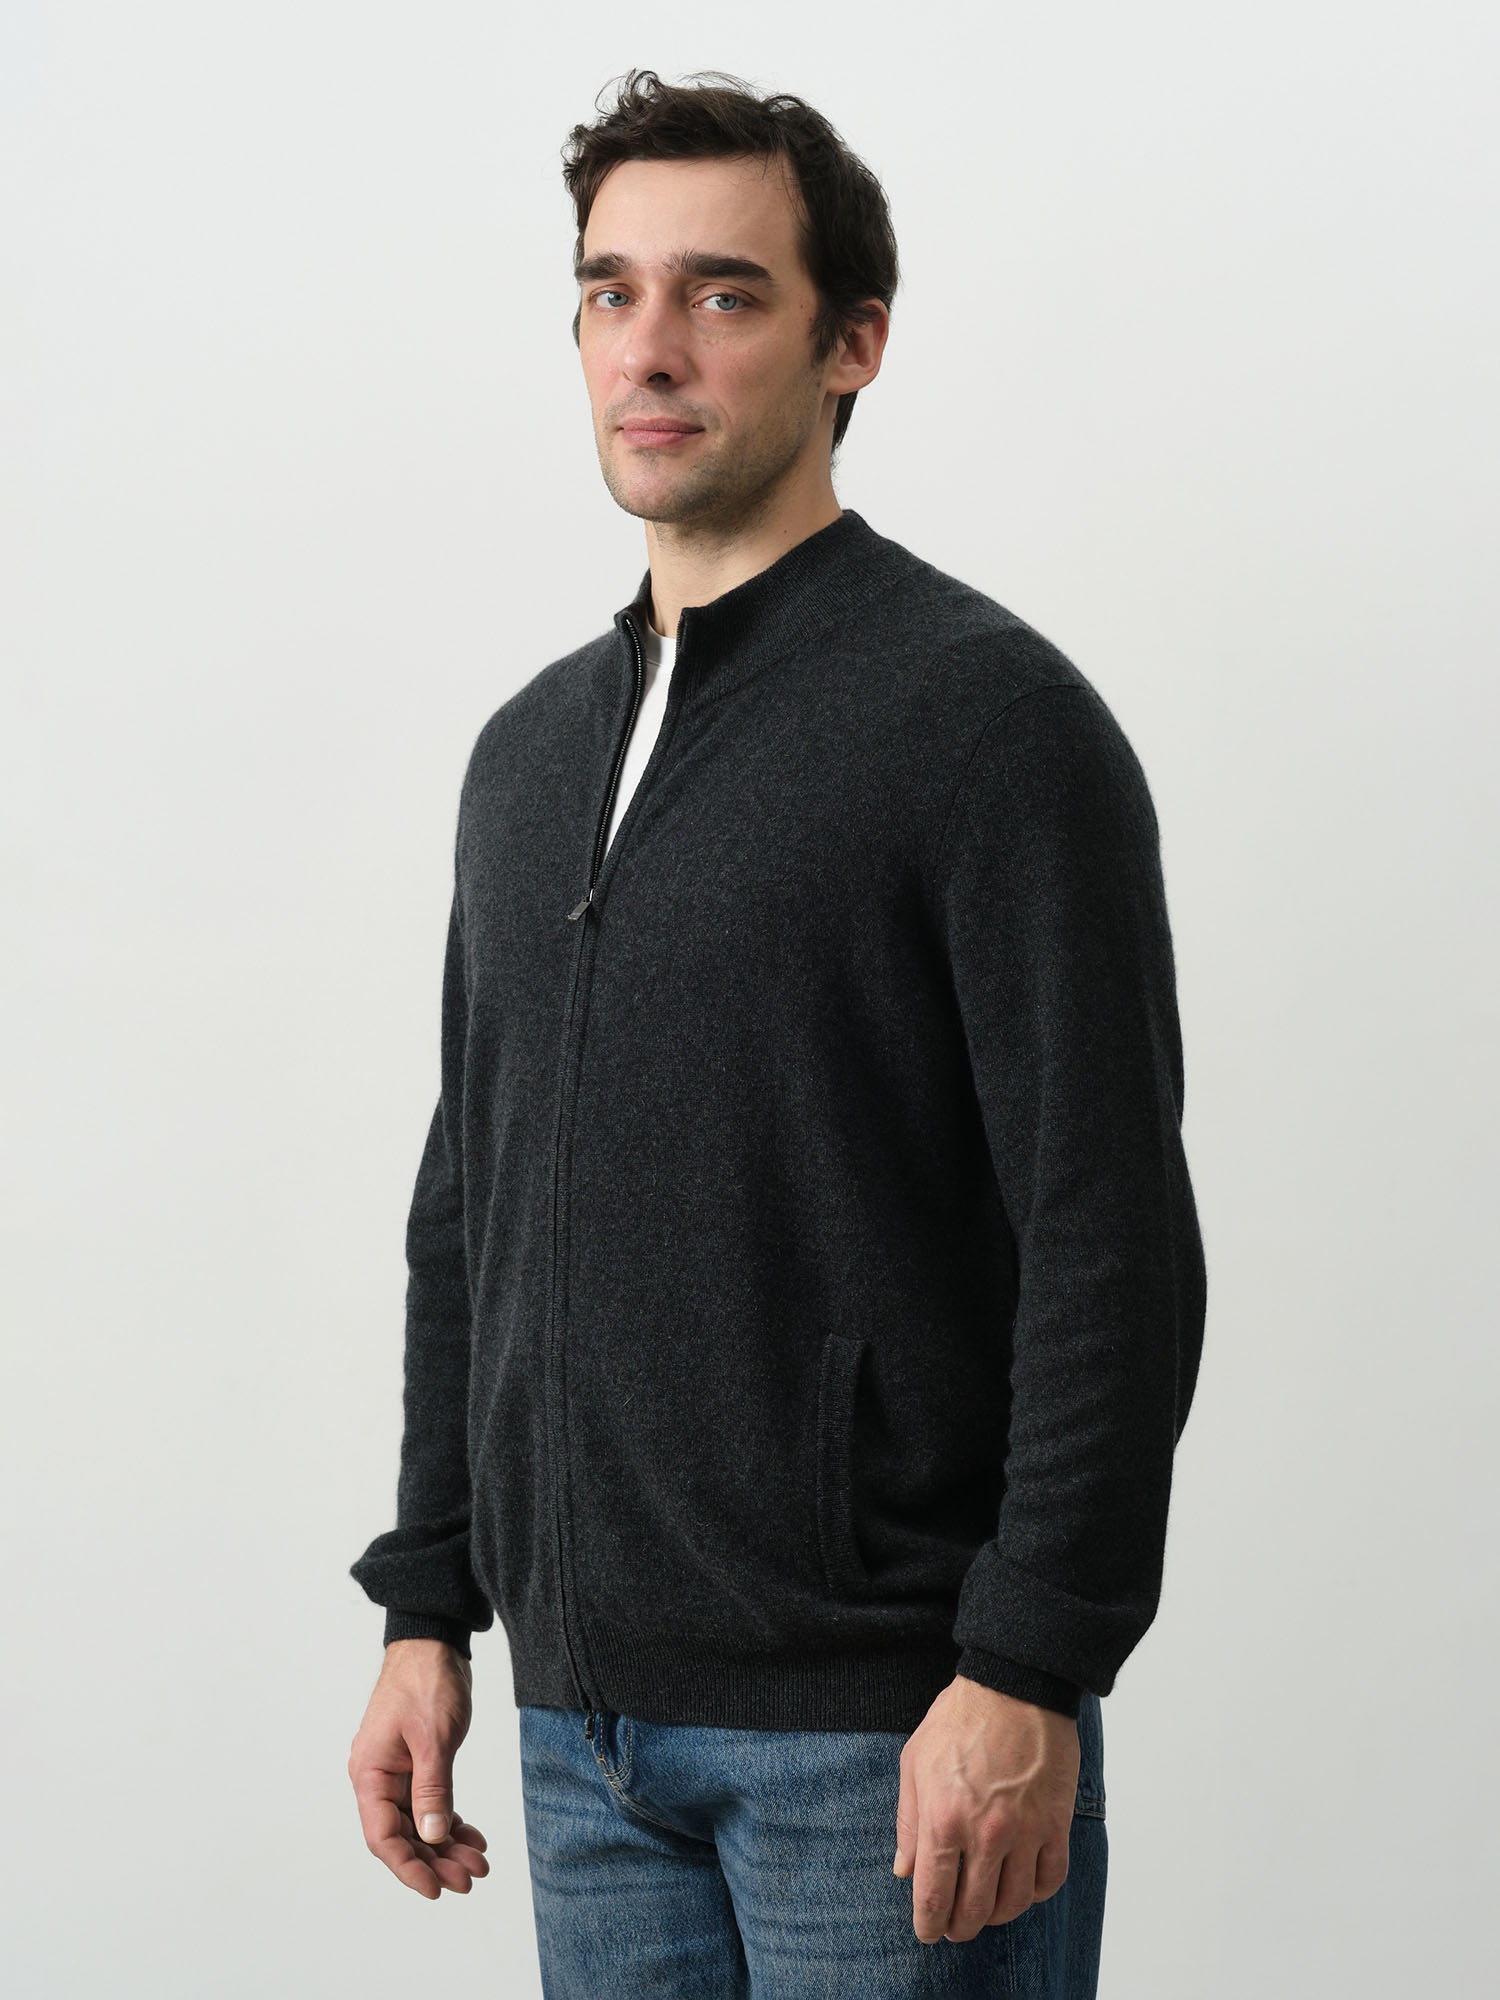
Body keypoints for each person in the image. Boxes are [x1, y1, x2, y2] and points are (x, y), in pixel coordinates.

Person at [346, 66, 1205, 1998]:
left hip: (887, 1733)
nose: (650, 346)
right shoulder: (526, 756)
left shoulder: (987, 722)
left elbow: (1108, 1233)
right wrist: (429, 1606)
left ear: (854, 344)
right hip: (582, 1741)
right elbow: (470, 1207)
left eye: (723, 293)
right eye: (611, 291)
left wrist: (1029, 1663)